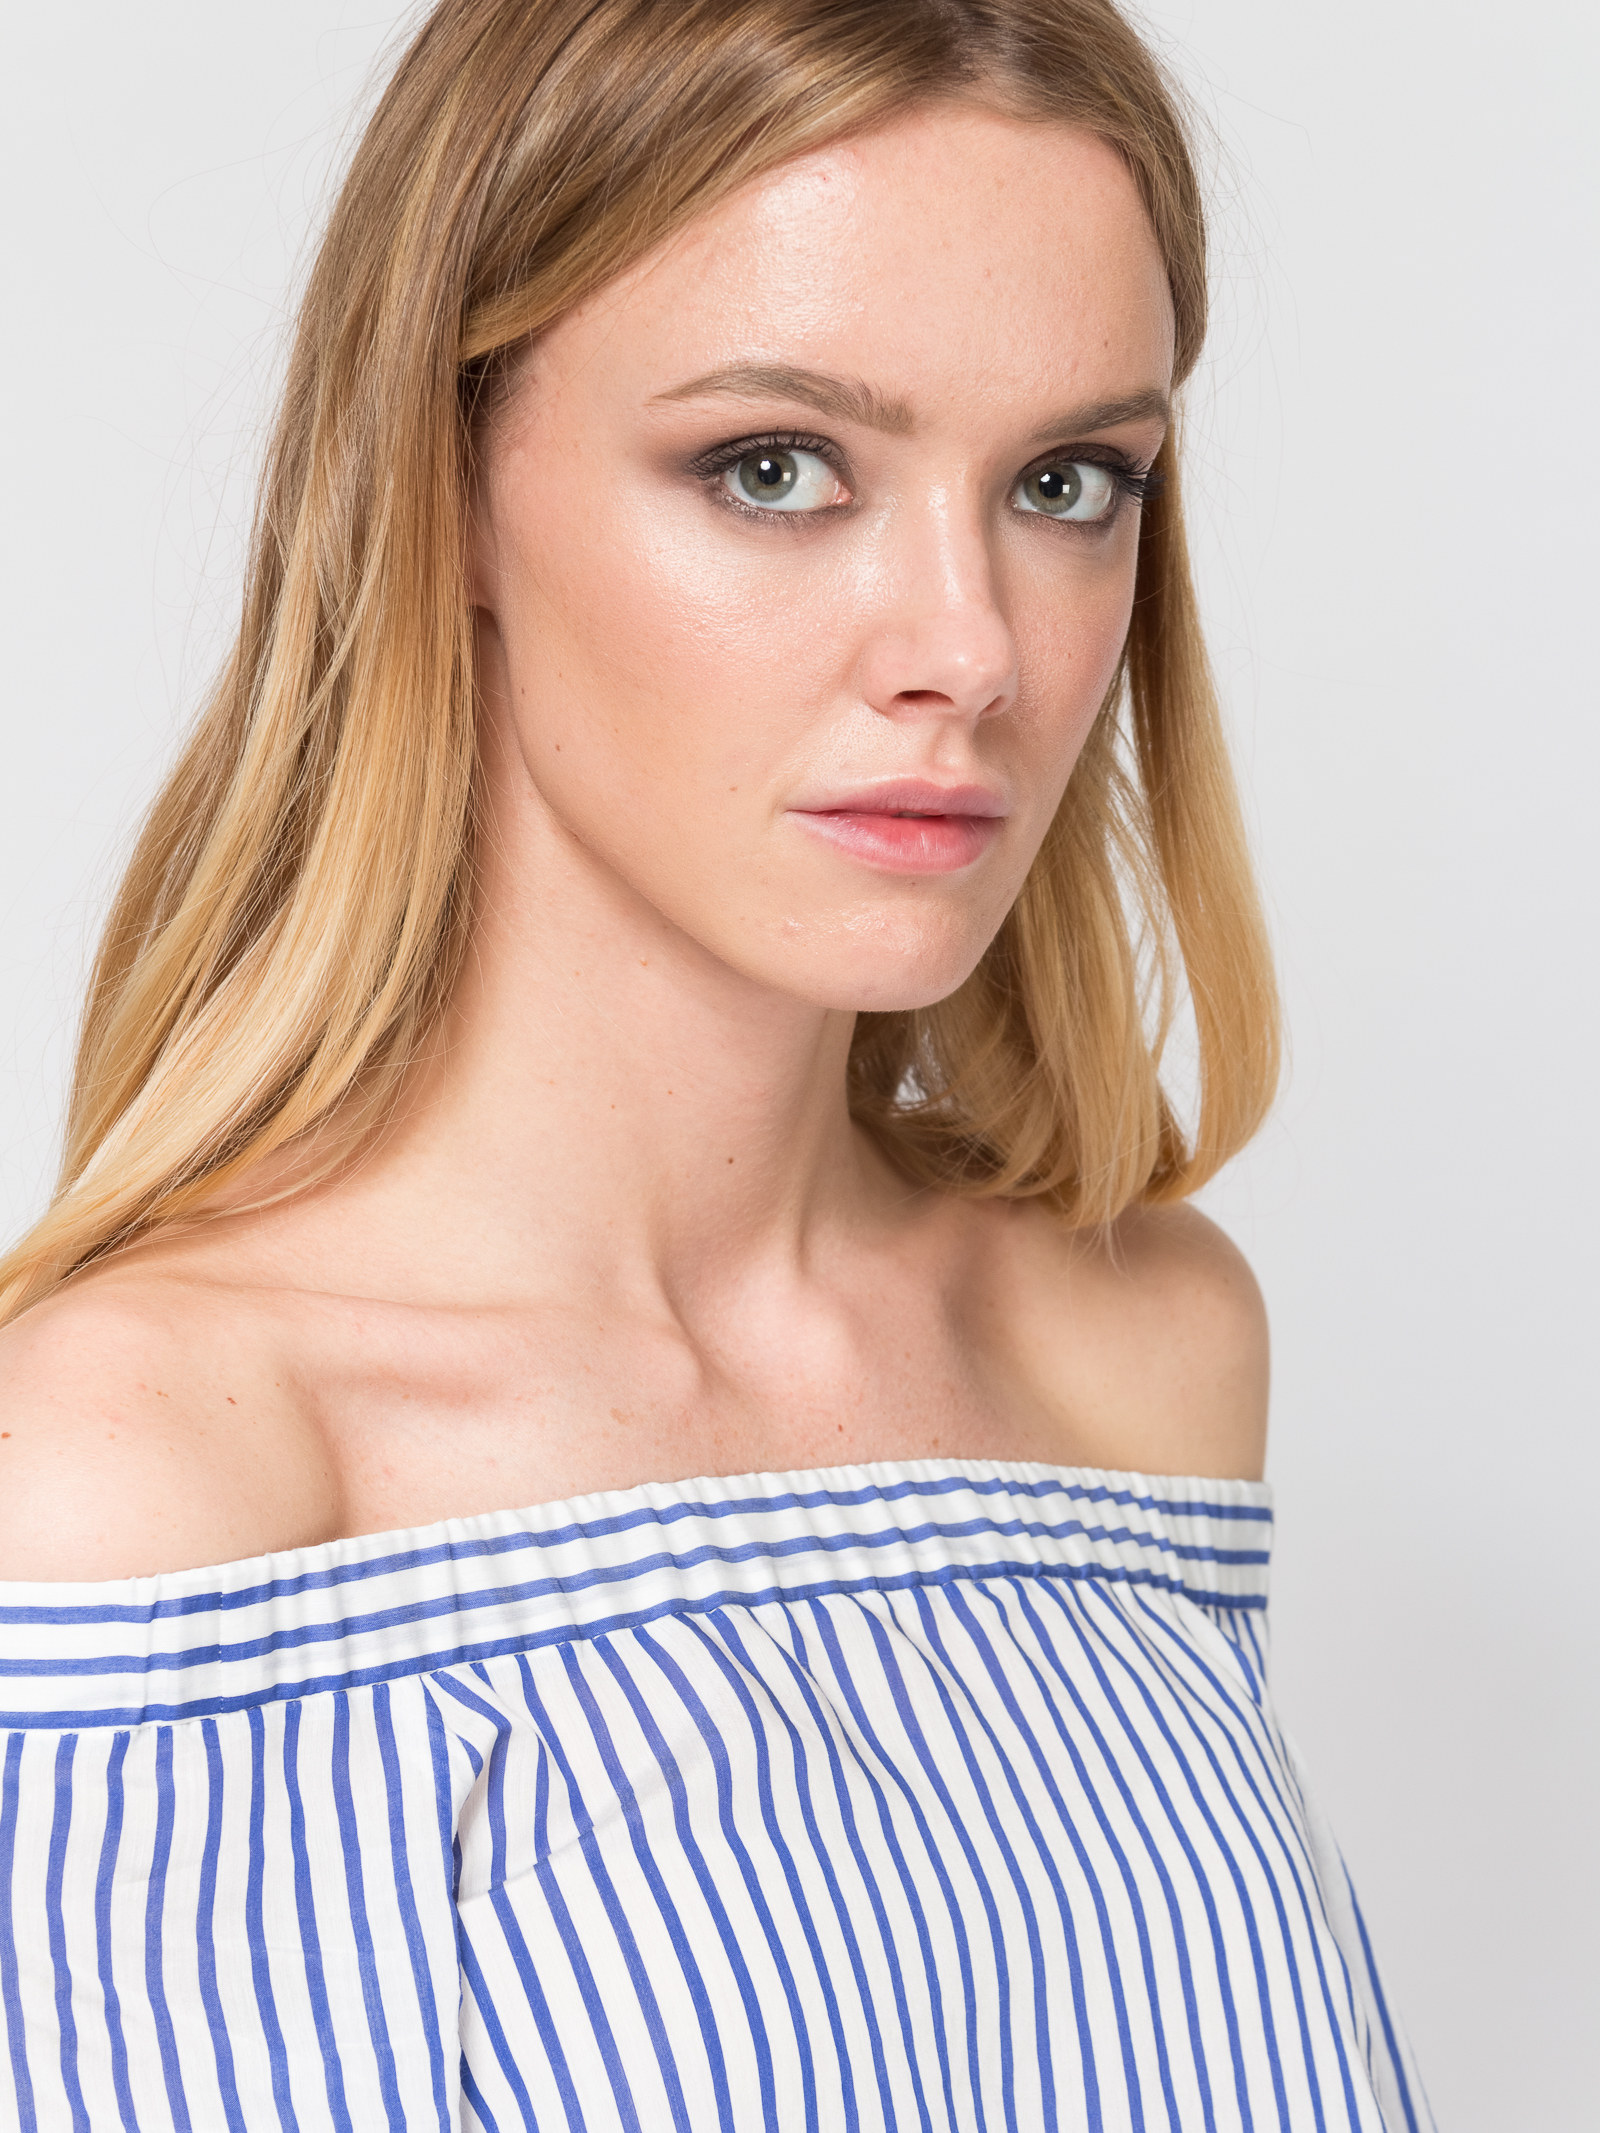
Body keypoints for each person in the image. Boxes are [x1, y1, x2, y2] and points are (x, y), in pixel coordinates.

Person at [0, 1, 1432, 2125]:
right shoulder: (146, 1485)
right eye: (775, 468)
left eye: (1066, 483)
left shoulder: (1136, 1355)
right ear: (445, 488)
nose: (970, 648)